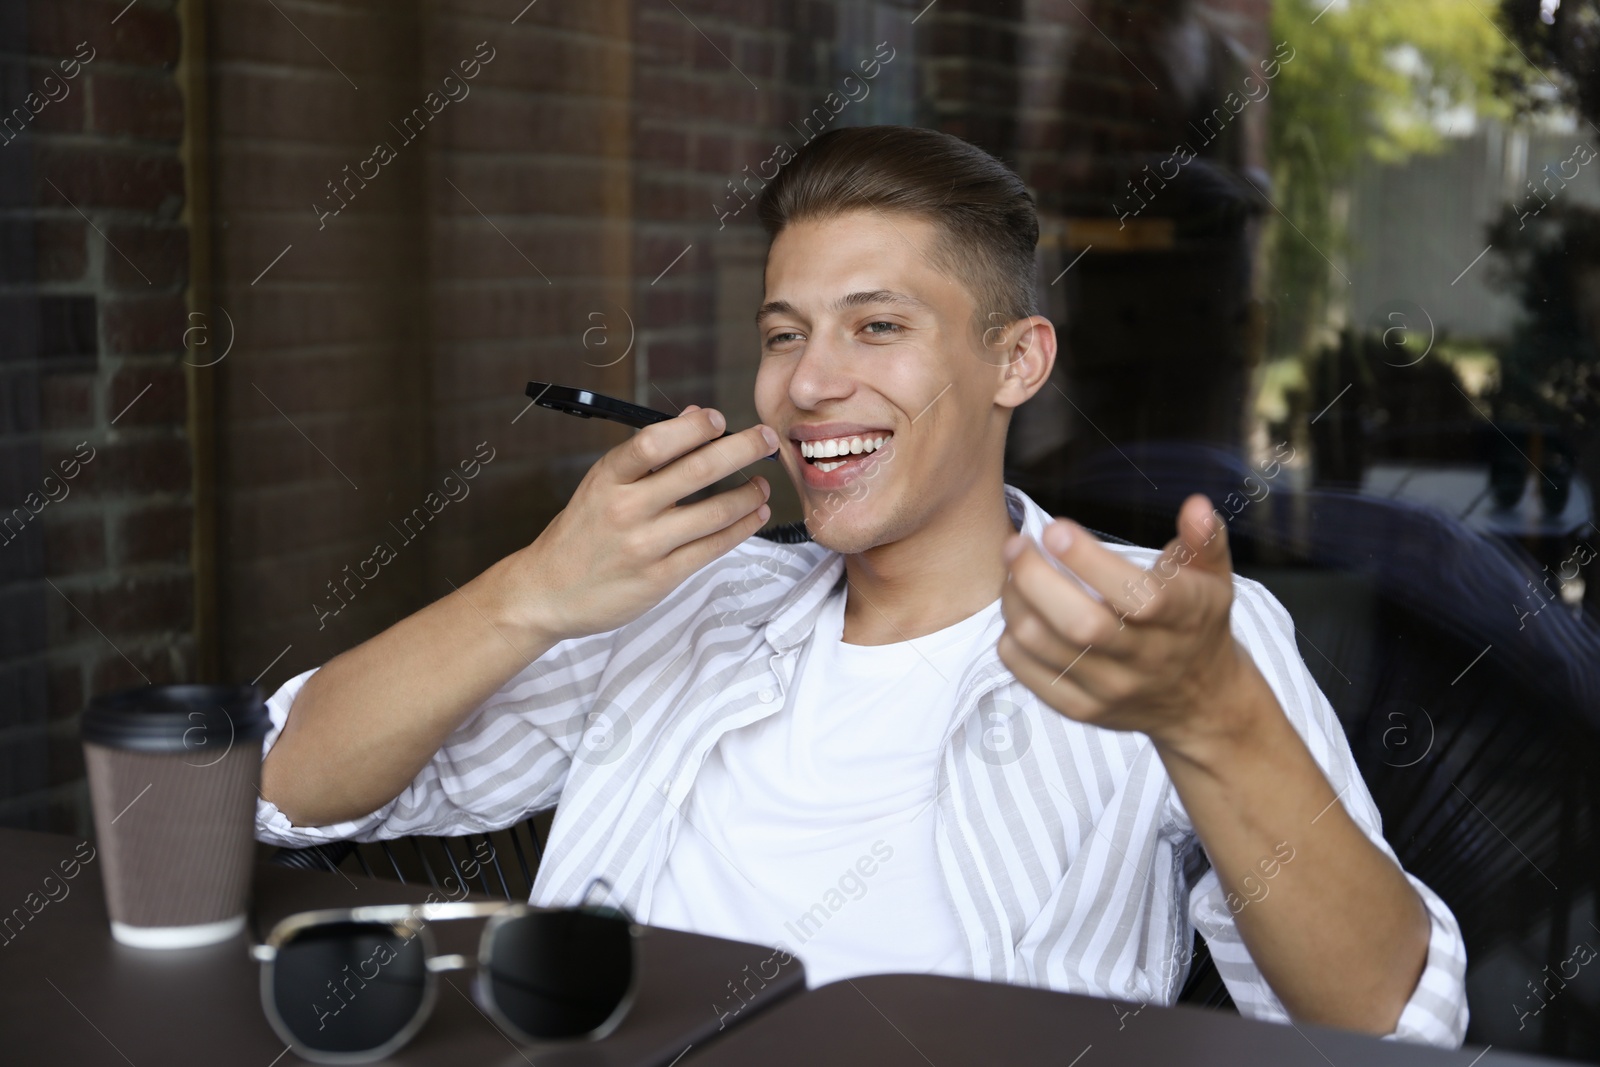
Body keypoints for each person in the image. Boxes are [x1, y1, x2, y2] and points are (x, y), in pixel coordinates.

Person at [255, 125, 1467, 1046]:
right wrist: (530, 590)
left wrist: (1213, 717)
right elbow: (283, 787)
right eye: (784, 334)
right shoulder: (687, 601)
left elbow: (1388, 1025)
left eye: (876, 327)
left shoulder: (1161, 632)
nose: (808, 385)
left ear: (1015, 360)